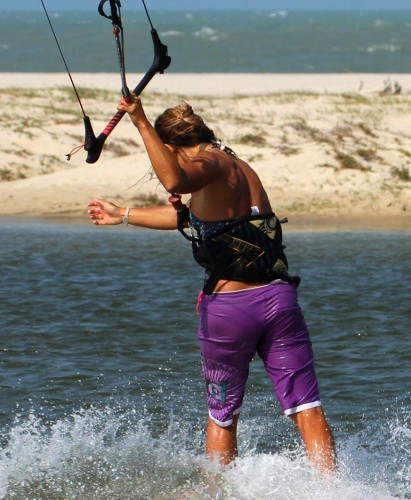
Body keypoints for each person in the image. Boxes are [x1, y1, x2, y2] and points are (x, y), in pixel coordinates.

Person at [87, 95, 336, 472]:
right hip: (279, 302)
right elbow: (193, 220)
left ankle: (217, 491)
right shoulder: (237, 167)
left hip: (231, 313)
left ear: (173, 147)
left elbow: (174, 177)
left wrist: (140, 121)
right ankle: (332, 489)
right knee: (306, 404)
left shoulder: (210, 162)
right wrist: (122, 214)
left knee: (222, 413)